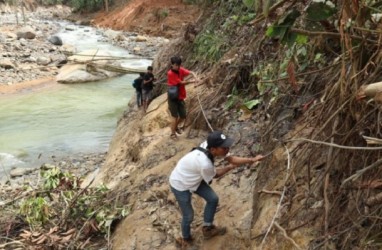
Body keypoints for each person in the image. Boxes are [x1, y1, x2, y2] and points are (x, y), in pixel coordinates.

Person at [169, 131, 265, 248]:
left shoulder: (208, 145)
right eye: (224, 148)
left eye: (227, 146)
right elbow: (217, 174)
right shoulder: (205, 164)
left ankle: (207, 228)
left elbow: (232, 158)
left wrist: (253, 160)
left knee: (213, 199)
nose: (227, 149)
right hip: (180, 184)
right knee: (188, 215)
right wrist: (230, 167)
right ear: (213, 149)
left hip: (194, 178)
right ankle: (185, 238)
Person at [167, 56, 198, 139]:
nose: (177, 67)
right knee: (175, 116)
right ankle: (172, 133)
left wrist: (195, 76)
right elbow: (181, 83)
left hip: (180, 96)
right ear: (172, 64)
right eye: (176, 65)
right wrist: (192, 81)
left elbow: (190, 72)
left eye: (178, 65)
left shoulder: (180, 69)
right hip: (173, 97)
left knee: (183, 115)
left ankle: (175, 127)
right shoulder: (170, 73)